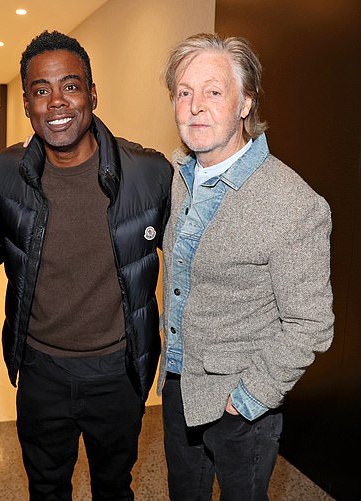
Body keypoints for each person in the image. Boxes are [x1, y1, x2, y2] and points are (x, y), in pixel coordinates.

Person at [0, 31, 172, 499]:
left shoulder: (148, 173)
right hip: (41, 371)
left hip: (117, 372)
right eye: (40, 91)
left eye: (69, 86)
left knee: (114, 486)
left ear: (92, 93)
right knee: (46, 489)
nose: (56, 103)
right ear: (27, 104)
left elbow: (198, 261)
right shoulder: (6, 174)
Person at [159, 33, 335, 500]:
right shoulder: (179, 178)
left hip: (239, 410)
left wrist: (249, 398)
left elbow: (311, 324)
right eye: (183, 92)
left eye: (213, 91)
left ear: (245, 104)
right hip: (177, 389)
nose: (195, 106)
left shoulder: (292, 203)